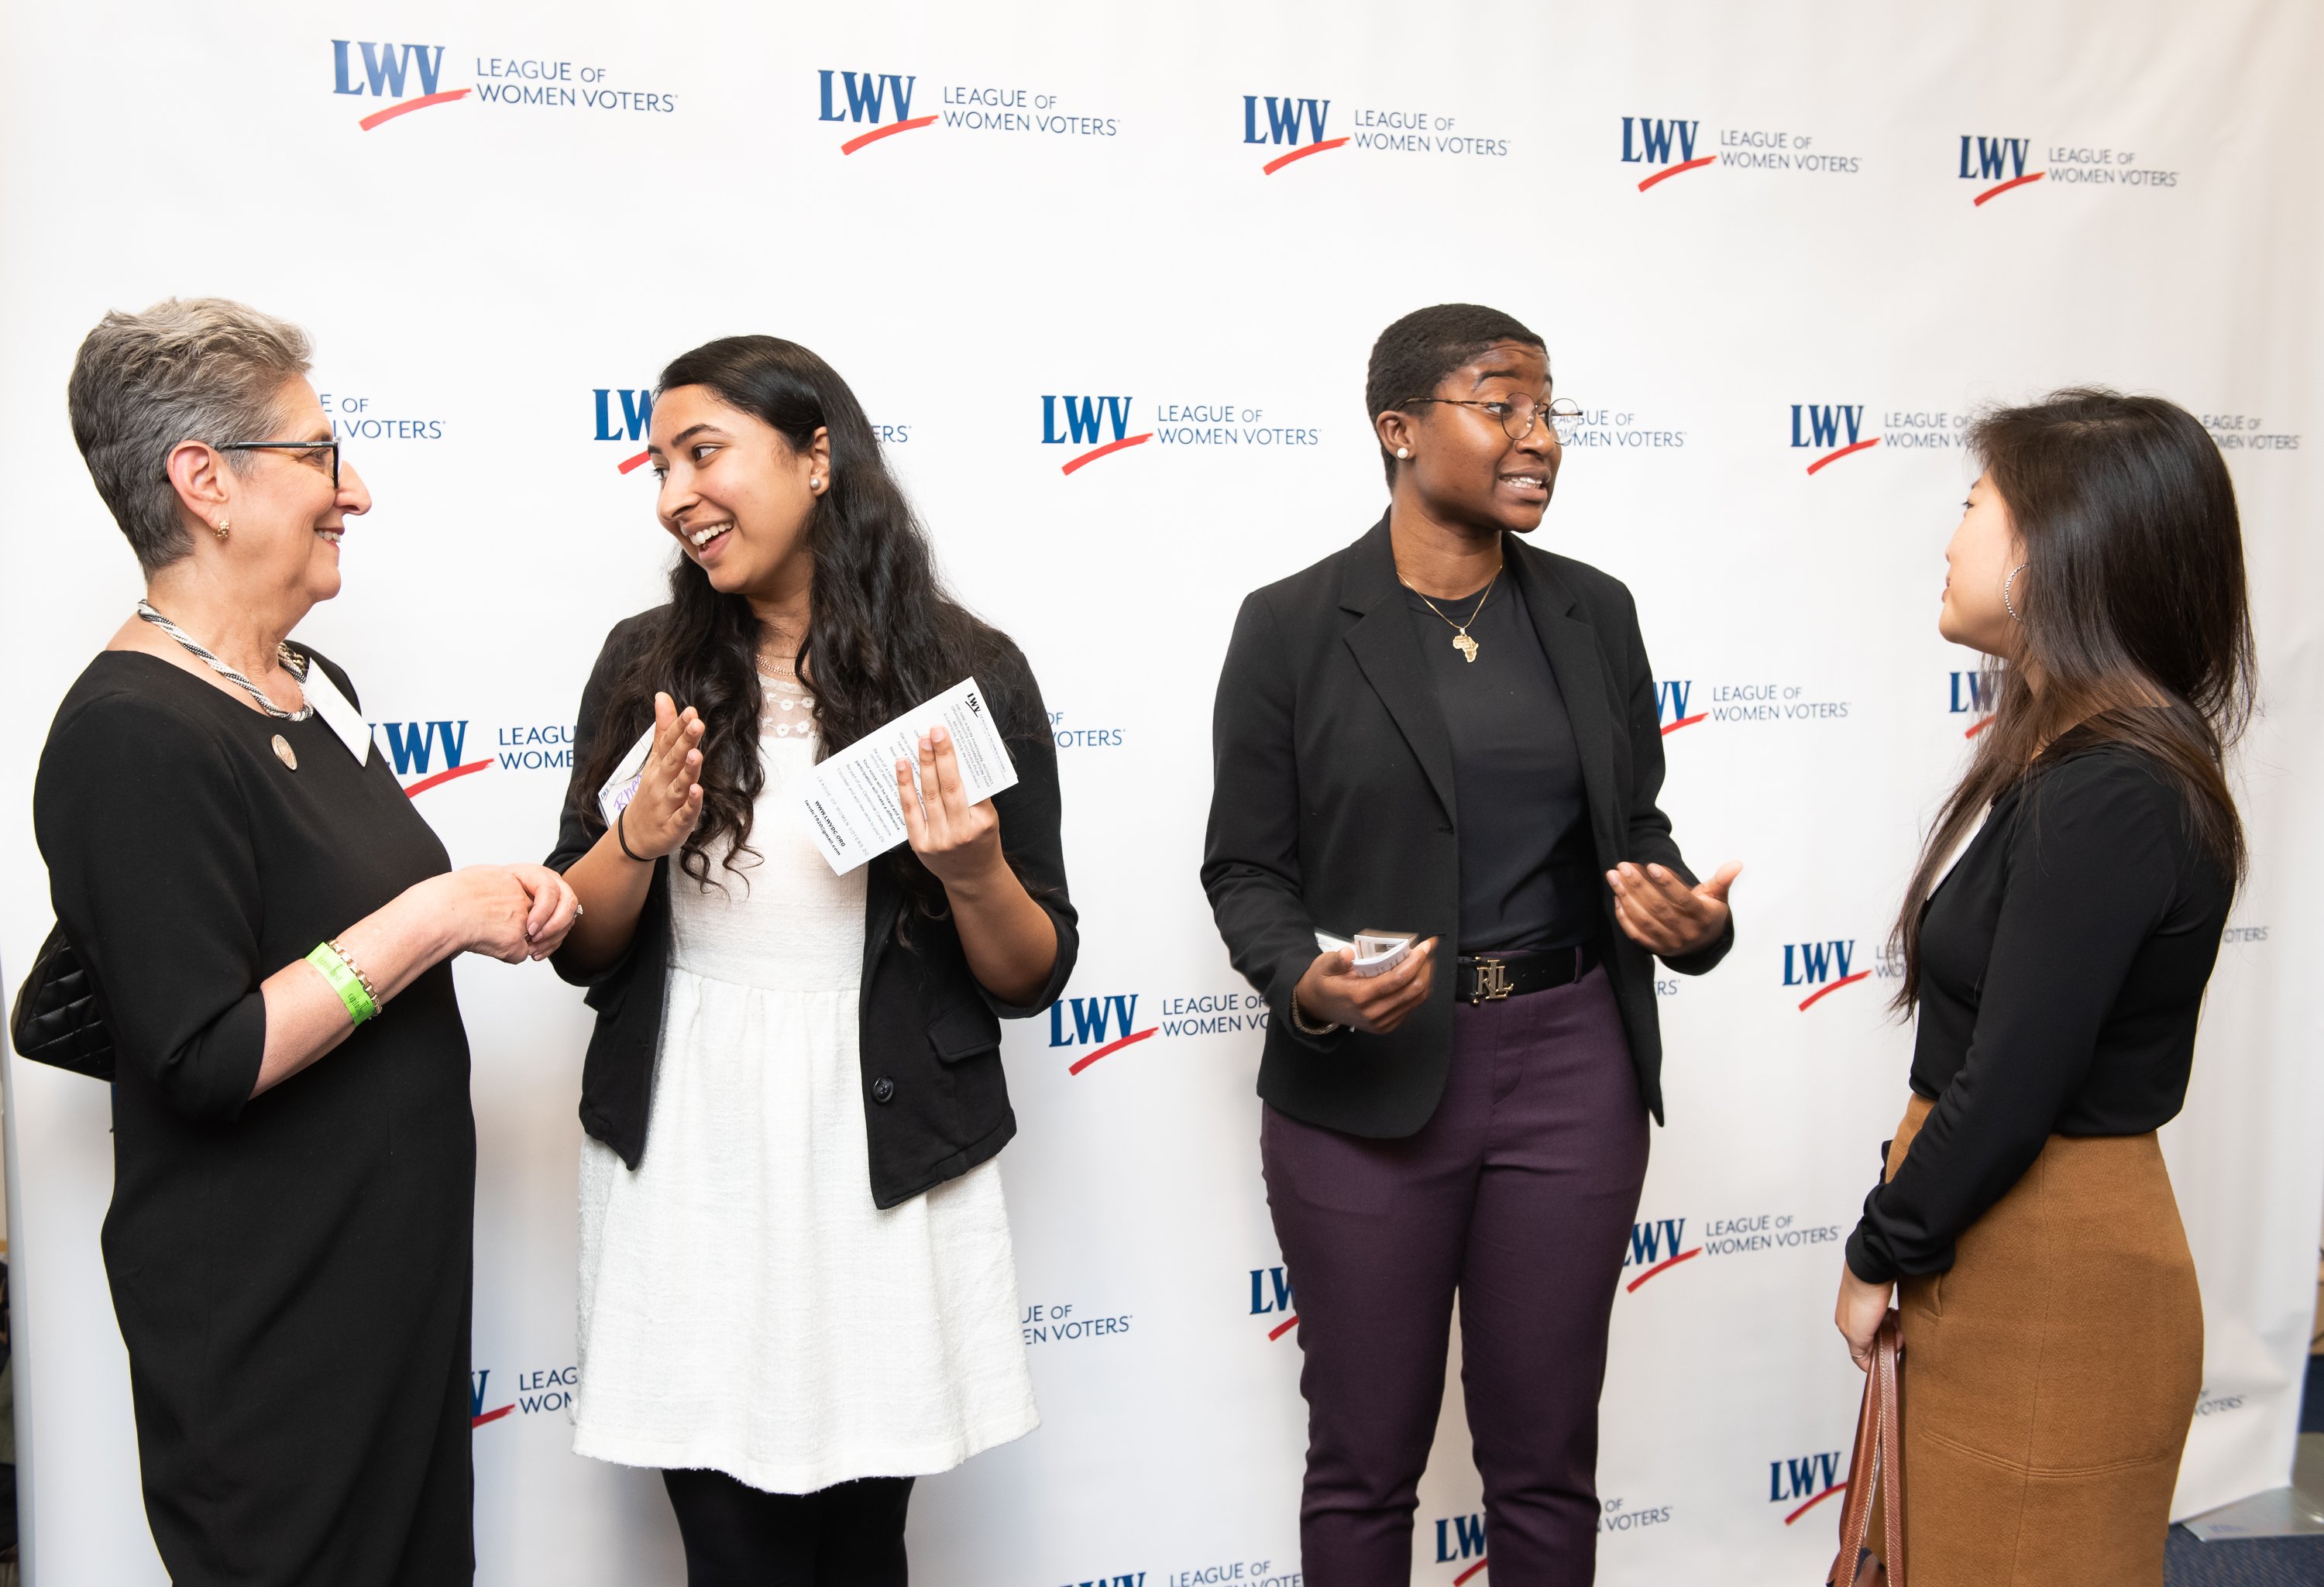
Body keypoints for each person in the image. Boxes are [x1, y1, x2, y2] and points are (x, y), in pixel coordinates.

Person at [33, 298, 580, 1585]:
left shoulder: (297, 685)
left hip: (382, 1300)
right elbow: (206, 1055)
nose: (358, 492)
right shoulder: (132, 732)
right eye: (323, 457)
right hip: (274, 1336)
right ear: (204, 480)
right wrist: (440, 914)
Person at [1202, 303, 1740, 1583]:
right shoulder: (1289, 625)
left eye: (1549, 411)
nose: (1538, 437)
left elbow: (1637, 824)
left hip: (1570, 1063)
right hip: (1366, 1081)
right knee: (1364, 1460)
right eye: (1501, 405)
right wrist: (1305, 983)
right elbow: (1246, 868)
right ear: (1399, 429)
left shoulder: (1594, 614)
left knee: (1547, 1457)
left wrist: (1689, 920)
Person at [548, 335, 1074, 1585]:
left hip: (875, 1146)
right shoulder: (646, 666)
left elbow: (1031, 971)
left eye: (705, 451)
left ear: (818, 456)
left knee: (860, 1541)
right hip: (694, 1144)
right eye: (661, 463)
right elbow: (579, 937)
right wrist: (637, 839)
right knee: (729, 1540)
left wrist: (972, 872)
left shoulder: (966, 674)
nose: (675, 492)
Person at [1834, 390, 2254, 1587]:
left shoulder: (2113, 786)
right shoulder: (2076, 763)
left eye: (1975, 507)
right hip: (1997, 1248)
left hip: (2050, 1270)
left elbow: (2014, 1077)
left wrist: (1878, 1250)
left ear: (2055, 552)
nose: (1952, 536)